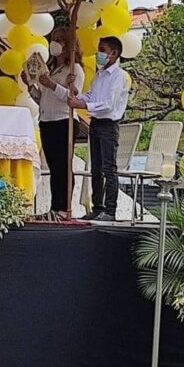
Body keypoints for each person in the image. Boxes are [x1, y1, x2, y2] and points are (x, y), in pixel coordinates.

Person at [67, 36, 128, 222]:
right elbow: (92, 95)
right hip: (96, 123)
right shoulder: (100, 74)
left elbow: (108, 104)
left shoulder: (119, 77)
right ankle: (97, 206)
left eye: (103, 49)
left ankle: (111, 210)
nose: (99, 54)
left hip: (108, 124)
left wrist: (83, 106)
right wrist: (78, 96)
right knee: (96, 168)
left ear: (114, 53)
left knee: (109, 168)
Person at [35, 27, 85, 219]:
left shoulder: (74, 69)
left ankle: (64, 208)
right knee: (54, 166)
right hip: (47, 120)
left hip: (64, 120)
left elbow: (72, 97)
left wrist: (52, 85)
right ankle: (54, 207)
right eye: (54, 39)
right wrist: (33, 86)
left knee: (63, 166)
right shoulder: (51, 69)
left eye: (60, 40)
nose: (55, 43)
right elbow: (42, 98)